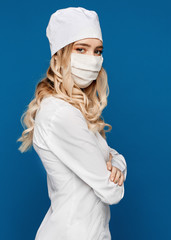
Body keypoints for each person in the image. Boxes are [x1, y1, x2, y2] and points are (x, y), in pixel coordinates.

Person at [16, 7, 127, 239]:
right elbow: (111, 191)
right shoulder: (61, 114)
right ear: (60, 54)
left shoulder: (74, 110)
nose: (92, 59)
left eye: (98, 51)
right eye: (81, 49)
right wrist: (116, 166)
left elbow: (108, 157)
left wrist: (118, 162)